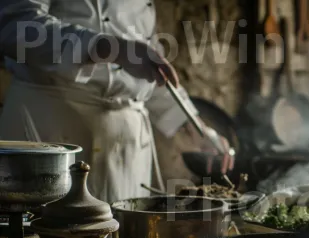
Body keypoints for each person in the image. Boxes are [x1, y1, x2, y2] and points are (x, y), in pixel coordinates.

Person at [0, 0, 234, 203]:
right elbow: (15, 26)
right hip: (51, 129)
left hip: (126, 150)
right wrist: (107, 48)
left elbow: (148, 65)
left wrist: (194, 128)